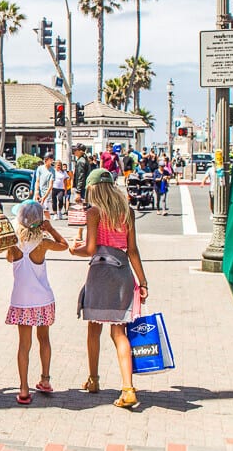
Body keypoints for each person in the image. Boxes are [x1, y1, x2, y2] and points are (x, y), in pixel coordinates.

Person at [69, 168, 149, 409]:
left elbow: (91, 248)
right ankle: (128, 388)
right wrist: (143, 282)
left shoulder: (94, 212)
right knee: (119, 332)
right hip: (122, 272)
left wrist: (75, 250)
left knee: (93, 329)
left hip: (100, 273)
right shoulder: (127, 211)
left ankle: (93, 380)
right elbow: (132, 250)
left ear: (93, 188)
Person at [5, 201, 68, 405]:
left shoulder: (14, 244)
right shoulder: (43, 243)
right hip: (43, 299)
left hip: (21, 301)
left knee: (24, 344)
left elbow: (8, 259)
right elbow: (64, 245)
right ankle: (45, 379)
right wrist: (50, 228)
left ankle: (23, 388)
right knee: (44, 339)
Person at [33, 153, 55, 219]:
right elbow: (37, 181)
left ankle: (48, 226)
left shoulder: (52, 171)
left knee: (46, 211)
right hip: (39, 192)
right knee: (35, 210)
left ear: (51, 160)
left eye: (48, 159)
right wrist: (36, 192)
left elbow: (51, 185)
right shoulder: (40, 169)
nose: (45, 161)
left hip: (46, 193)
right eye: (45, 159)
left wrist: (44, 197)